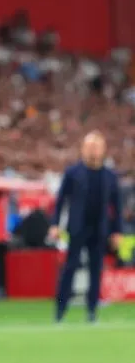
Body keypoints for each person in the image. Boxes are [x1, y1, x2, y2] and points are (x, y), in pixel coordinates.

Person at [50, 131, 123, 322]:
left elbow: (116, 206)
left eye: (96, 147)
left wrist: (117, 231)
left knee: (95, 270)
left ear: (103, 150)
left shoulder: (109, 176)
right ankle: (60, 309)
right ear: (83, 149)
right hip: (77, 227)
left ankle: (92, 310)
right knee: (70, 267)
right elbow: (60, 200)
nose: (93, 151)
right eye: (90, 147)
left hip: (99, 229)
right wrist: (55, 224)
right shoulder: (73, 173)